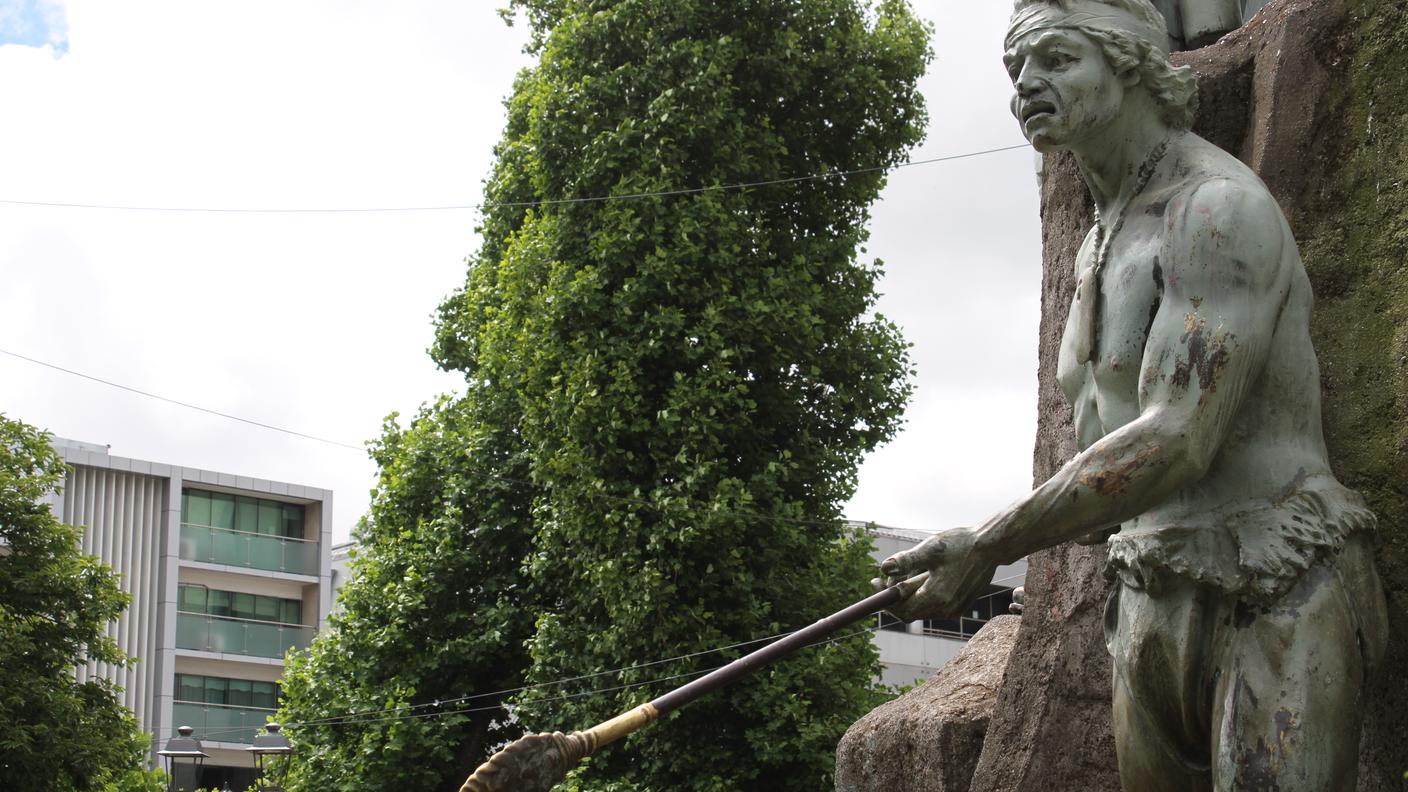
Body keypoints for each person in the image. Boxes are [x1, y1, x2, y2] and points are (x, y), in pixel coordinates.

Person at [878, 1, 1388, 788]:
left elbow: (1181, 436)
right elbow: (1108, 463)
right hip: (1148, 594)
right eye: (1017, 70)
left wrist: (988, 542)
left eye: (1056, 59)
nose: (1027, 87)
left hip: (1276, 588)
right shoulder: (1096, 242)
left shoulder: (1217, 209)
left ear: (1132, 63)